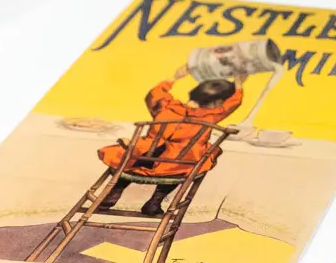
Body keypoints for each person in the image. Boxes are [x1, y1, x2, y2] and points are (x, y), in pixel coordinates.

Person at [96, 66, 242, 216]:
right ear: (217, 102)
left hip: (139, 160)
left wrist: (174, 77)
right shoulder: (211, 116)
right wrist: (239, 85)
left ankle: (114, 193)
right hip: (173, 168)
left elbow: (153, 94)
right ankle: (155, 201)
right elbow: (232, 104)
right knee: (199, 157)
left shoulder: (166, 106)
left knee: (133, 154)